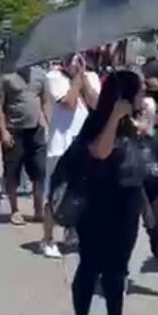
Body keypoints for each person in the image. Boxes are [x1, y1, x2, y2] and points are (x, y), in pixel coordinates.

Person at [66, 70, 153, 315]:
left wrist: (146, 208)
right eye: (138, 91)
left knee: (118, 268)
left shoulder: (133, 125)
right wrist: (115, 117)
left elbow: (134, 168)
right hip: (97, 206)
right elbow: (100, 152)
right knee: (90, 267)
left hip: (126, 206)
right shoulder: (99, 120)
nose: (143, 97)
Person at [42, 53, 99, 259]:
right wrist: (75, 79)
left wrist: (84, 78)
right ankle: (48, 238)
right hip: (60, 145)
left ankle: (75, 233)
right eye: (72, 59)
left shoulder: (90, 77)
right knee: (55, 193)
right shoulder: (54, 77)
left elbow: (96, 104)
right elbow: (69, 102)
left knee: (84, 193)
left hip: (83, 144)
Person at [0, 64, 48, 226]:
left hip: (36, 131)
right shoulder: (6, 76)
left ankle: (38, 210)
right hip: (14, 130)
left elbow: (44, 101)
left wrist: (47, 123)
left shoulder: (40, 74)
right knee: (12, 171)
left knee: (40, 170)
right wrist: (3, 131)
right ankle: (15, 210)